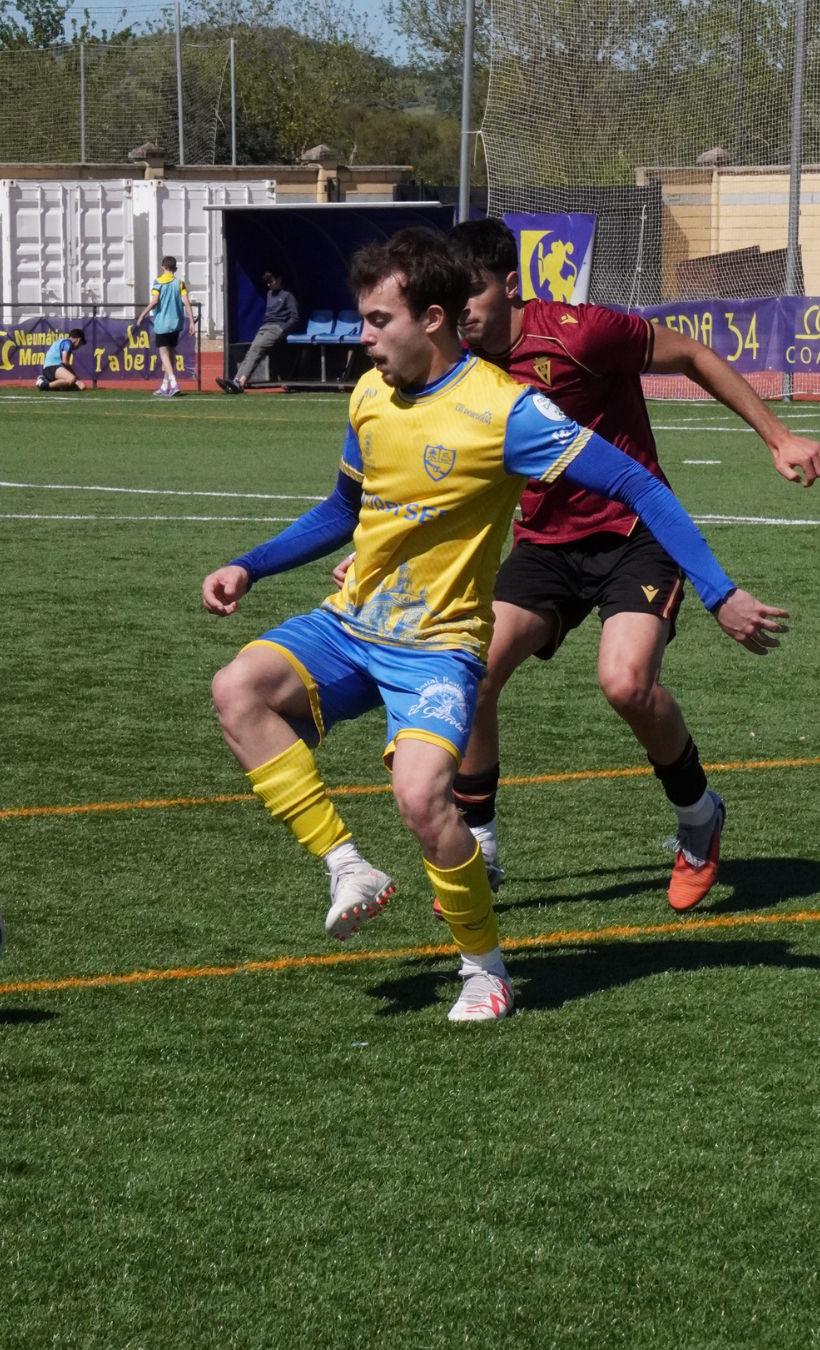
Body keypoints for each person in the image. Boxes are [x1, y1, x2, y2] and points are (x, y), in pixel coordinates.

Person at [203, 228, 786, 1023]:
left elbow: (639, 482)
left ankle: (510, 950)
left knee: (604, 693)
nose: (363, 338)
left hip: (546, 587)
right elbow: (346, 508)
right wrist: (251, 565)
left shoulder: (513, 402)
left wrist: (719, 589)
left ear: (437, 315)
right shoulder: (371, 395)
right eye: (364, 320)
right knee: (237, 688)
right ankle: (371, 862)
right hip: (397, 608)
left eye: (379, 321)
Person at [217, 270, 299, 393]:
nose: (269, 285)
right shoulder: (269, 294)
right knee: (251, 351)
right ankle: (235, 381)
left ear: (279, 279)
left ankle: (240, 383)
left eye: (271, 281)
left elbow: (295, 317)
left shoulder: (287, 296)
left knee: (257, 349)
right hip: (265, 326)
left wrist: (283, 328)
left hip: (277, 327)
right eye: (267, 283)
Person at [136, 255, 196, 397]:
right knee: (170, 354)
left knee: (164, 354)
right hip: (176, 323)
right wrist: (192, 321)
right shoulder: (179, 283)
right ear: (175, 268)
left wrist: (143, 314)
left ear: (162, 267)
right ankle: (165, 386)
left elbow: (155, 301)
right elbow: (187, 302)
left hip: (162, 323)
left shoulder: (158, 282)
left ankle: (174, 384)